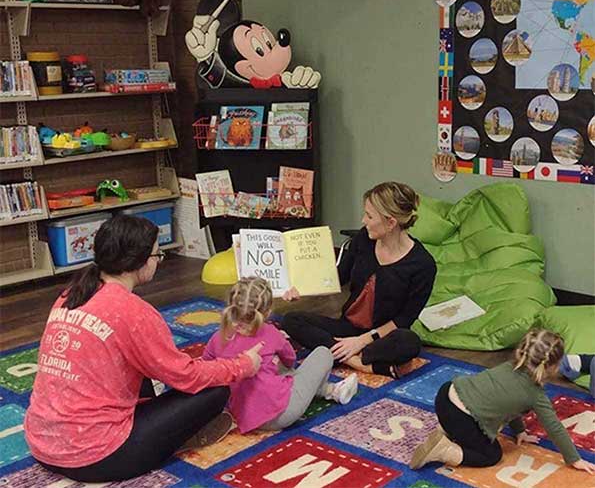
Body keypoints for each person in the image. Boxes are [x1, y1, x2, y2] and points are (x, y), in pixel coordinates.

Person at [25, 215, 263, 482]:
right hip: (96, 457)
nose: (158, 261)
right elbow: (186, 377)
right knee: (215, 391)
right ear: (138, 261)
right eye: (156, 255)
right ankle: (176, 438)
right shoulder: (133, 312)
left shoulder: (70, 294)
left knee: (137, 363)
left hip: (42, 442)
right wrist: (242, 366)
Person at [281, 182, 437, 378]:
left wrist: (362, 341)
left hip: (381, 335)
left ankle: (339, 351)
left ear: (391, 223)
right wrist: (301, 289)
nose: (363, 221)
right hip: (347, 327)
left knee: (409, 342)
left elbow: (403, 320)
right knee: (291, 319)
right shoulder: (364, 238)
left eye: (370, 216)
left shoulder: (423, 265)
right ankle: (359, 363)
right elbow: (338, 276)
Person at [410, 329, 595, 474]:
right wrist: (574, 459)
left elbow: (509, 405)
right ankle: (445, 450)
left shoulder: (508, 366)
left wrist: (520, 431)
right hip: (461, 417)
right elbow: (555, 428)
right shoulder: (536, 395)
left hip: (445, 395)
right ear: (552, 367)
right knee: (491, 455)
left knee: (474, 415)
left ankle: (448, 429)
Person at [203, 277, 359, 433]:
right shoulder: (270, 332)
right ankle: (330, 391)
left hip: (242, 415)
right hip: (283, 413)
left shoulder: (217, 337)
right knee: (323, 353)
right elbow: (290, 360)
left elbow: (206, 368)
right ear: (268, 311)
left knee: (274, 368)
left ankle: (330, 390)